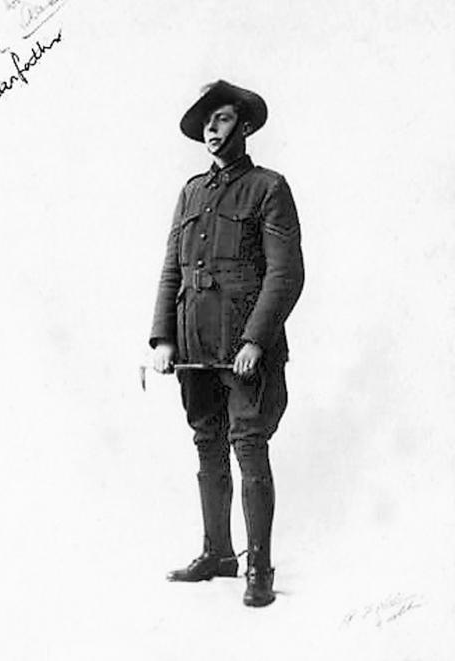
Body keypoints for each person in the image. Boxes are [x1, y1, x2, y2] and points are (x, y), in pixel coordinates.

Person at [149, 80, 304, 607]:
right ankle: (218, 553)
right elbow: (172, 268)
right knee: (206, 444)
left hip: (242, 346)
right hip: (194, 344)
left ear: (246, 126)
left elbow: (285, 275)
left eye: (221, 120)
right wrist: (163, 337)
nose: (212, 132)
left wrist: (257, 340)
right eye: (207, 124)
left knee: (249, 446)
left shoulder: (268, 188)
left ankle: (258, 567)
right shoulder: (191, 192)